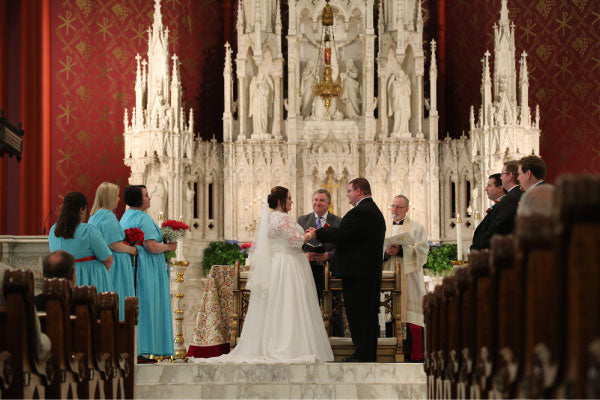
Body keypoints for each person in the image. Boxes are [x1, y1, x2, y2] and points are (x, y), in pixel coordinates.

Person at [192, 186, 334, 363]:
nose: (292, 201)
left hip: (280, 264)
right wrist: (310, 234)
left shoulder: (270, 218)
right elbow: (296, 241)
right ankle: (290, 345)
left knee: (279, 304)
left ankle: (278, 341)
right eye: (289, 198)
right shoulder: (282, 218)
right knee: (290, 304)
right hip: (288, 265)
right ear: (281, 201)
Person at [309, 178, 386, 362]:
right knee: (366, 317)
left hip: (358, 274)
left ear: (358, 191)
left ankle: (363, 356)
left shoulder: (359, 212)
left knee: (360, 317)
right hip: (366, 273)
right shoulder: (371, 210)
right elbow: (350, 235)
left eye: (349, 190)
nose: (347, 194)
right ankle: (365, 354)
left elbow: (342, 235)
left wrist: (316, 233)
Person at [120, 185, 176, 362]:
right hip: (147, 268)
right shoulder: (142, 218)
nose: (150, 198)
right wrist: (169, 247)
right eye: (146, 195)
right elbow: (151, 246)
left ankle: (138, 348)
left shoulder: (126, 216)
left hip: (134, 265)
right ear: (138, 199)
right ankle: (144, 349)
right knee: (148, 304)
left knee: (140, 305)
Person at [382, 195, 428, 362]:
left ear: (407, 209)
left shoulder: (416, 228)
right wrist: (386, 253)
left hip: (410, 278)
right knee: (389, 312)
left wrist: (401, 251)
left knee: (411, 314)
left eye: (399, 207)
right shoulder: (384, 228)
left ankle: (414, 354)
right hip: (389, 275)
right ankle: (389, 351)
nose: (394, 210)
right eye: (392, 206)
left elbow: (423, 252)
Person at [89, 182, 137, 321]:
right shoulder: (107, 216)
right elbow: (114, 244)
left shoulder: (95, 215)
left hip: (105, 261)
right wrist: (132, 250)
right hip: (116, 265)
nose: (118, 199)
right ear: (109, 197)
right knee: (120, 298)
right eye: (116, 196)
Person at [49, 192, 113, 293]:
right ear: (81, 210)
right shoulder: (88, 231)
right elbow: (108, 259)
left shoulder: (53, 230)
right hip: (90, 280)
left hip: (62, 279)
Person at [297, 189, 342, 303]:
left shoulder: (338, 221)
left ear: (329, 204)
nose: (317, 203)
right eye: (315, 200)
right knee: (309, 307)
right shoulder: (302, 220)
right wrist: (304, 255)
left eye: (322, 200)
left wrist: (328, 255)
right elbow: (296, 245)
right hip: (308, 270)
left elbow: (342, 247)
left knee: (335, 310)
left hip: (330, 270)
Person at [470, 173, 506, 250]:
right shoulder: (498, 205)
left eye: (489, 186)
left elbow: (494, 233)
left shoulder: (503, 206)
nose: (486, 189)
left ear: (500, 188)